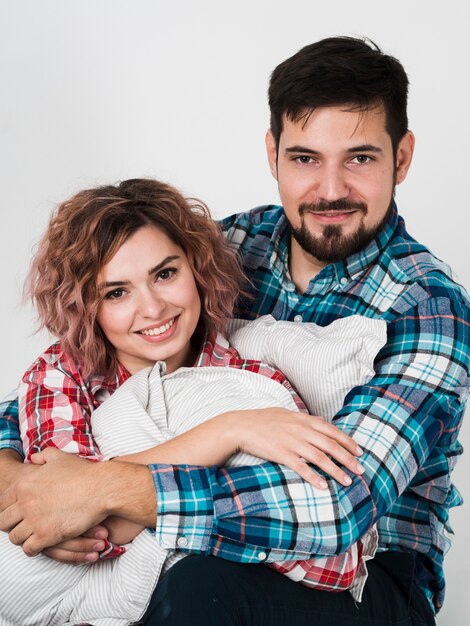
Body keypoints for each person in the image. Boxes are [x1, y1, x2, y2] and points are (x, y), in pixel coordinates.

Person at [1, 36, 469, 625]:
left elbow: (335, 510)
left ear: (400, 157)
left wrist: (99, 493)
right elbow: (56, 379)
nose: (329, 189)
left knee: (199, 585)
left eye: (359, 158)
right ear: (272, 153)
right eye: (304, 158)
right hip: (191, 547)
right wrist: (26, 489)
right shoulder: (224, 249)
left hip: (375, 584)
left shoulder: (428, 305)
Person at [0, 177, 376, 625]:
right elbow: (68, 517)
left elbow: (333, 561)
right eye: (116, 292)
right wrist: (225, 433)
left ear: (196, 270)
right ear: (86, 307)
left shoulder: (255, 380)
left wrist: (105, 497)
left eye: (165, 274)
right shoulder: (60, 374)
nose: (153, 308)